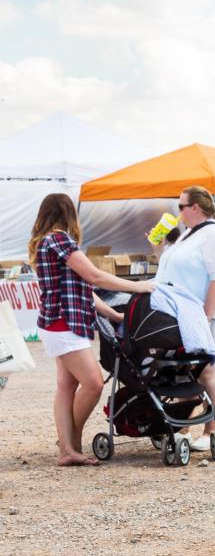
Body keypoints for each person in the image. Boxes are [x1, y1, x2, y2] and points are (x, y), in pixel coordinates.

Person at [27, 193, 154, 466]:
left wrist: (112, 315)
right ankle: (68, 443)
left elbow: (83, 288)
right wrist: (138, 286)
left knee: (67, 385)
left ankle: (68, 447)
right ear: (69, 214)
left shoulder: (46, 241)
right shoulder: (60, 239)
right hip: (65, 324)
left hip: (57, 322)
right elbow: (95, 277)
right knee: (94, 383)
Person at [154, 185, 215, 452]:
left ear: (195, 208)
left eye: (180, 206)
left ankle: (211, 429)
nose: (177, 212)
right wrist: (158, 246)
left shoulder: (214, 235)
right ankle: (185, 425)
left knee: (206, 370)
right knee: (185, 372)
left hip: (200, 314)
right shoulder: (189, 234)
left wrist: (205, 317)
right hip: (179, 315)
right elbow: (169, 266)